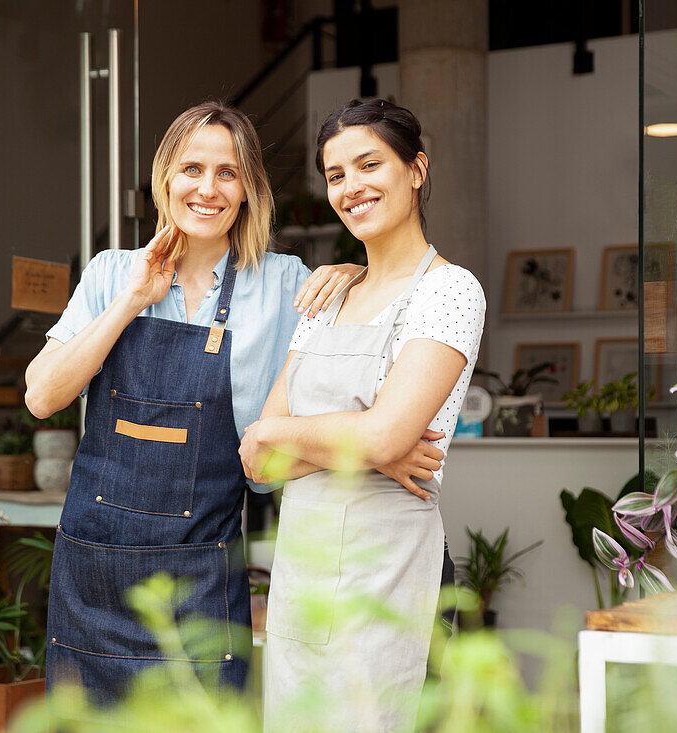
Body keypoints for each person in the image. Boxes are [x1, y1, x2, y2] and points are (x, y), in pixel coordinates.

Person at [24, 101, 388, 704]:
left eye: (227, 172)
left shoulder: (285, 283)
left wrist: (357, 274)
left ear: (248, 189)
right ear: (166, 177)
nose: (208, 189)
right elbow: (42, 396)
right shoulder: (113, 273)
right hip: (96, 574)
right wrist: (133, 299)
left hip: (203, 576)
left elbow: (371, 352)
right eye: (192, 168)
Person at [239, 98, 486, 731]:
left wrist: (283, 430)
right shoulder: (329, 294)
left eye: (369, 164)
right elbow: (260, 464)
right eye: (336, 174)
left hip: (392, 574)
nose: (351, 187)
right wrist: (367, 443)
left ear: (417, 169)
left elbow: (374, 435)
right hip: (304, 572)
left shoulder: (450, 291)